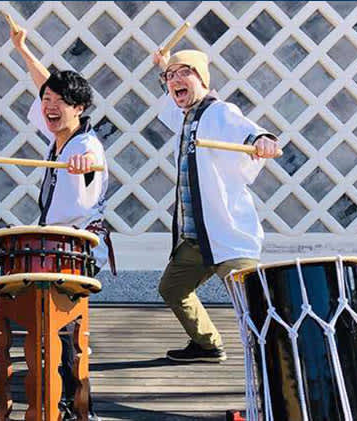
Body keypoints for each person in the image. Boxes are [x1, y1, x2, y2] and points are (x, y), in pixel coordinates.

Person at [11, 26, 114, 421]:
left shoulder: (86, 145)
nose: (49, 106)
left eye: (60, 102)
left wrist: (85, 165)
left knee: (67, 331)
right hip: (53, 246)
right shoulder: (57, 131)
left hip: (77, 249)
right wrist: (23, 50)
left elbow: (91, 163)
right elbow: (45, 84)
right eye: (46, 101)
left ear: (80, 108)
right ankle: (57, 396)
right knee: (51, 328)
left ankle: (73, 404)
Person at [152, 49, 279, 363]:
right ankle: (207, 344)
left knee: (256, 308)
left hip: (227, 233)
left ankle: (282, 365)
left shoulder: (218, 111)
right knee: (172, 287)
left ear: (202, 79)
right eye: (171, 76)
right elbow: (168, 106)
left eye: (185, 73)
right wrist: (161, 68)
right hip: (196, 239)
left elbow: (246, 129)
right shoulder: (187, 116)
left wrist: (262, 139)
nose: (175, 81)